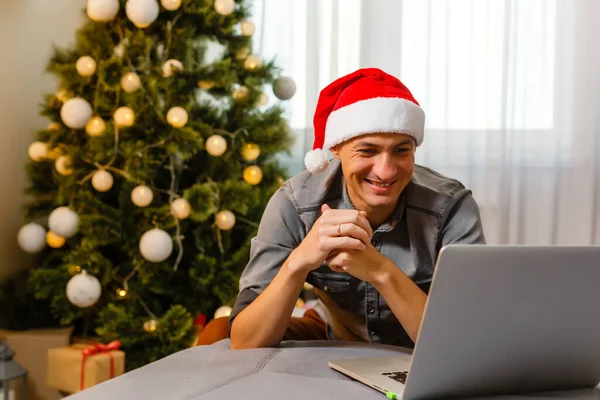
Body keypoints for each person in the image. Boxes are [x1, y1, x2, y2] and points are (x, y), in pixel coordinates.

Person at [199, 68, 486, 349]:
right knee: (217, 334)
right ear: (336, 149)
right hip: (333, 335)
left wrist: (380, 270)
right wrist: (299, 262)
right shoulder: (296, 204)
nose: (385, 172)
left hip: (417, 345)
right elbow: (246, 342)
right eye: (367, 151)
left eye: (401, 150)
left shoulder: (450, 207)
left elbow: (463, 344)